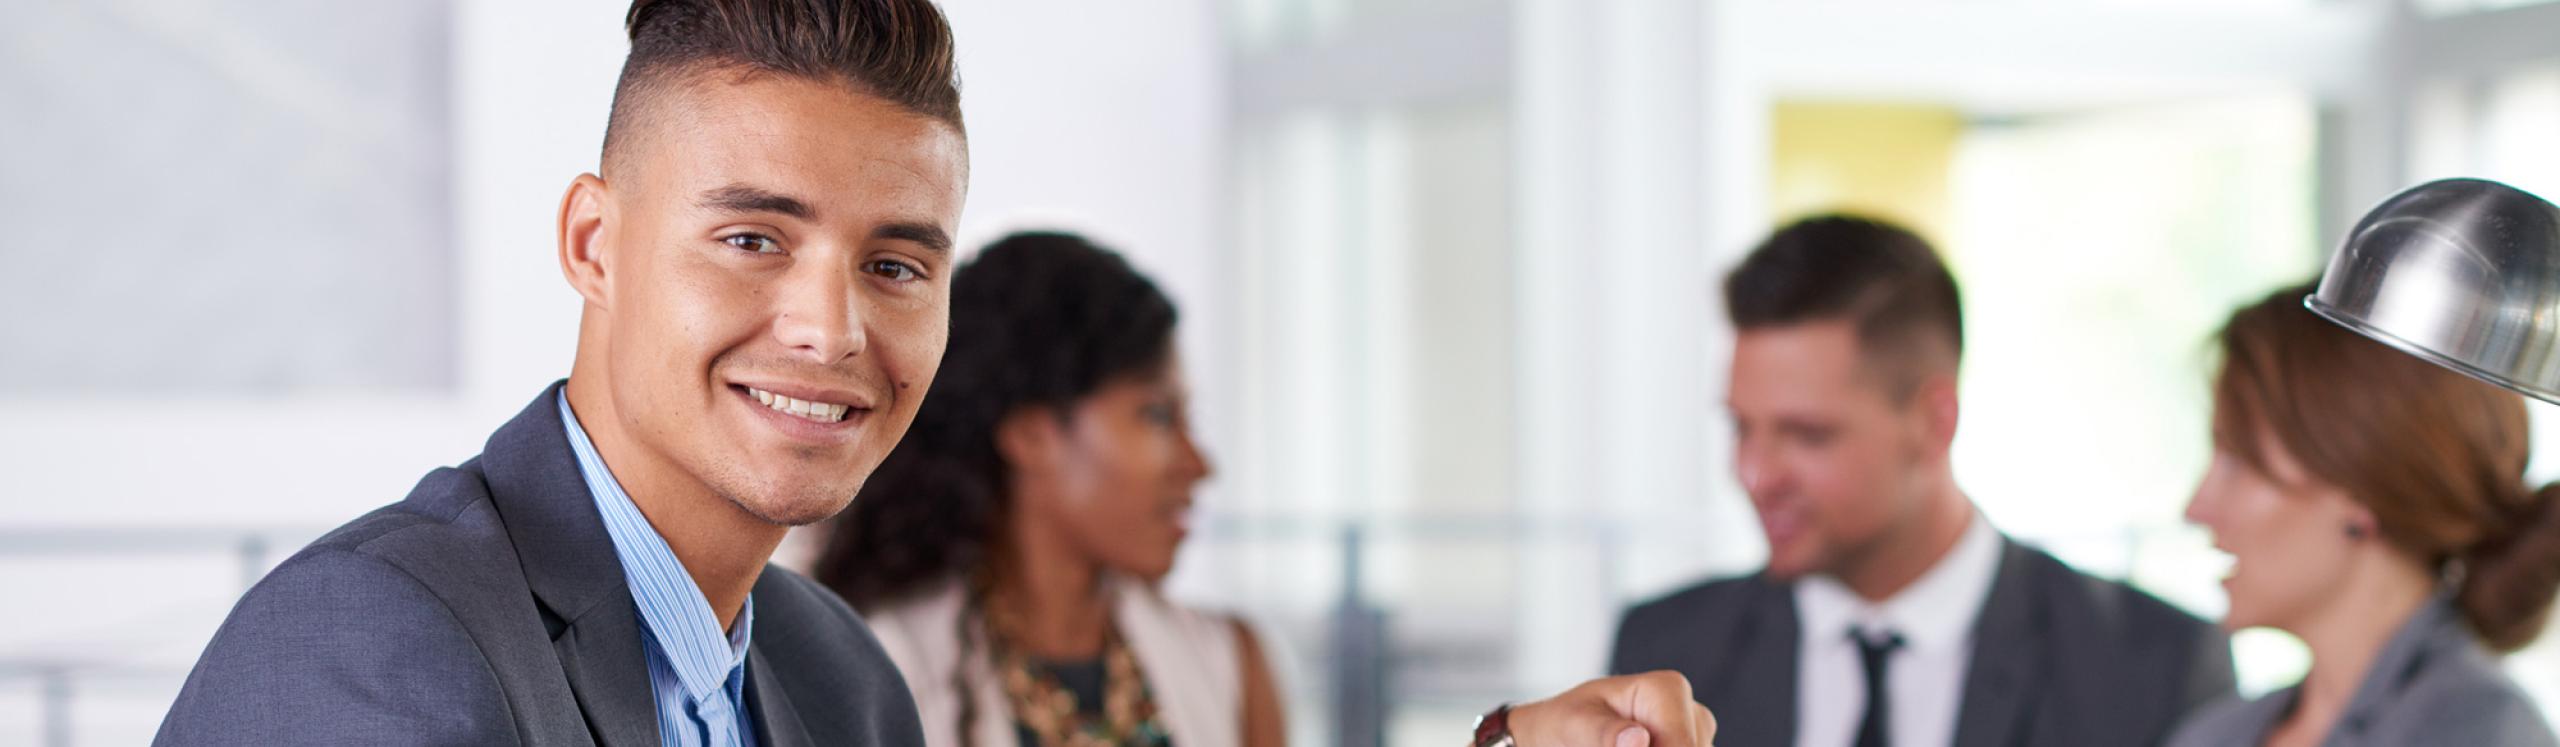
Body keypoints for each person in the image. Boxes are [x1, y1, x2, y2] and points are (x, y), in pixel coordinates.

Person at [147, 1, 1719, 744]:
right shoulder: (370, 649)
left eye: (898, 263)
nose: (834, 326)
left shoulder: (832, 680)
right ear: (595, 239)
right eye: (754, 239)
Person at [1610, 215, 2236, 747]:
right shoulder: (1667, 652)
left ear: (1934, 422)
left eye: (1807, 435)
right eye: (1743, 428)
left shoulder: (2151, 666)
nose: (1754, 474)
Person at [811, 232, 1284, 747]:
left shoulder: (1228, 664)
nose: (1198, 466)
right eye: (1156, 415)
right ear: (1030, 434)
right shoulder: (877, 666)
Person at [2165, 283, 2560, 747]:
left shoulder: (2480, 731)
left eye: (2237, 460)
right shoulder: (2215, 734)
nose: (2196, 509)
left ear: (2358, 486)